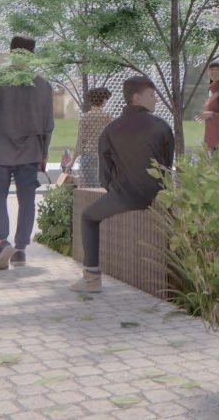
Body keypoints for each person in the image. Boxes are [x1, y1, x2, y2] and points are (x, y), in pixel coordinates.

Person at [78, 76, 176, 293]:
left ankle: (91, 277)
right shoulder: (162, 126)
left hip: (124, 196)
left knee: (87, 217)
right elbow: (167, 166)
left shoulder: (110, 130)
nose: (155, 100)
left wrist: (116, 192)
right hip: (158, 195)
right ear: (136, 97)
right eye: (152, 95)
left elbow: (105, 175)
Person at [0, 35, 56, 271]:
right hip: (30, 152)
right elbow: (49, 125)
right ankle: (20, 250)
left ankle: (2, 242)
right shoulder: (43, 84)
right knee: (26, 200)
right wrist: (44, 154)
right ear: (33, 54)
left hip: (0, 150)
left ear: (10, 51)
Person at [64, 87, 111, 185]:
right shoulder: (108, 118)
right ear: (104, 101)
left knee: (88, 188)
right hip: (103, 157)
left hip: (88, 155)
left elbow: (80, 141)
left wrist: (72, 161)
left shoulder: (85, 118)